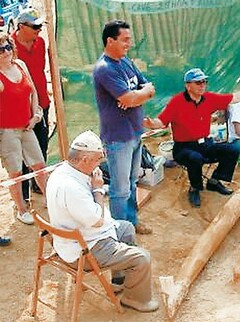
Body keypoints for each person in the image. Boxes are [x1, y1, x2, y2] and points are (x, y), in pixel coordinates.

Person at [46, 130, 158, 312]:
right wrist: (98, 190)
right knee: (142, 258)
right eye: (98, 159)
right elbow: (97, 221)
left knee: (127, 228)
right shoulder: (72, 188)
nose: (100, 164)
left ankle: (119, 281)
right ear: (84, 160)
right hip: (84, 249)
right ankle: (135, 299)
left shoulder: (60, 172)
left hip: (75, 238)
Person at [143, 68, 240, 208]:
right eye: (198, 82)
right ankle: (195, 188)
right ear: (188, 85)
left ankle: (214, 181)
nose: (202, 85)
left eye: (204, 81)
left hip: (205, 143)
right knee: (195, 158)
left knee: (231, 150)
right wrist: (151, 124)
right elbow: (161, 121)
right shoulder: (177, 102)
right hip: (183, 147)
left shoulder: (208, 99)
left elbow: (234, 98)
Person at [92, 20, 155, 234]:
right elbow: (129, 98)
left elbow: (148, 86)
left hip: (135, 132)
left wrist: (139, 95)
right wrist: (134, 96)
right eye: (125, 39)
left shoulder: (125, 61)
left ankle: (132, 222)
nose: (129, 43)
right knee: (120, 190)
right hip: (118, 138)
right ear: (110, 41)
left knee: (132, 183)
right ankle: (118, 231)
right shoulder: (104, 69)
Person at [0, 32, 47, 225]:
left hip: (27, 126)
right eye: (0, 50)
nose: (5, 52)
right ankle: (21, 209)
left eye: (7, 47)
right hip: (7, 131)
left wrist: (36, 115)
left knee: (39, 166)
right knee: (16, 172)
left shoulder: (21, 65)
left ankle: (52, 200)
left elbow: (33, 91)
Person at [12, 8, 51, 200]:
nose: (39, 29)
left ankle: (38, 185)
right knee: (19, 153)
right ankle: (23, 195)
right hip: (18, 111)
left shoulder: (41, 42)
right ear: (21, 27)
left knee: (41, 146)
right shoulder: (8, 50)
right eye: (35, 26)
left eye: (40, 25)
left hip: (41, 103)